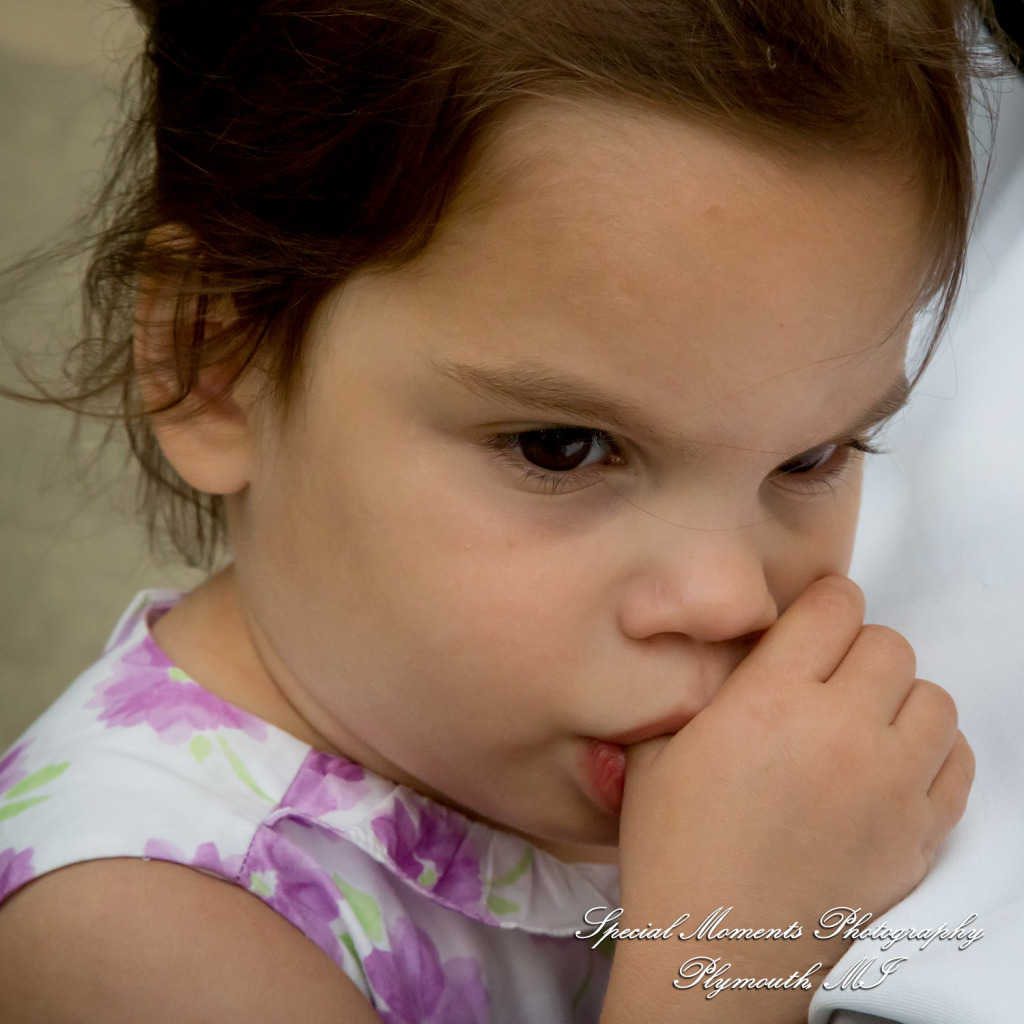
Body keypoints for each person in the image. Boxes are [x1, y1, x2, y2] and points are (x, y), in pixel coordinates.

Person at [0, 1, 988, 1021]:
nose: (729, 597)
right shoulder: (141, 926)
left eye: (811, 455)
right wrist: (727, 956)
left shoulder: (524, 727)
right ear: (215, 359)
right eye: (561, 447)